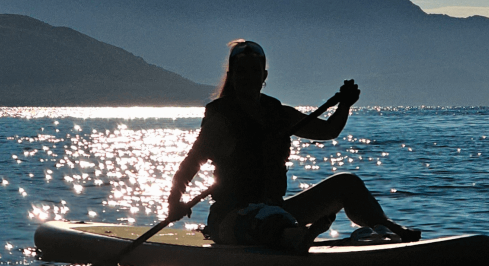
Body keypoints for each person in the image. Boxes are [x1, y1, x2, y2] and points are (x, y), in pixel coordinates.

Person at [167, 39, 420, 253]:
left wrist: (344, 105)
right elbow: (191, 163)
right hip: (231, 217)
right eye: (241, 71)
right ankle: (296, 237)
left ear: (264, 76)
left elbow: (328, 131)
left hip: (277, 209)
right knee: (268, 222)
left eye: (255, 71)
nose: (248, 77)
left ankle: (390, 230)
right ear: (231, 77)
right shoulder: (220, 120)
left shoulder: (279, 114)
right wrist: (175, 201)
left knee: (347, 183)